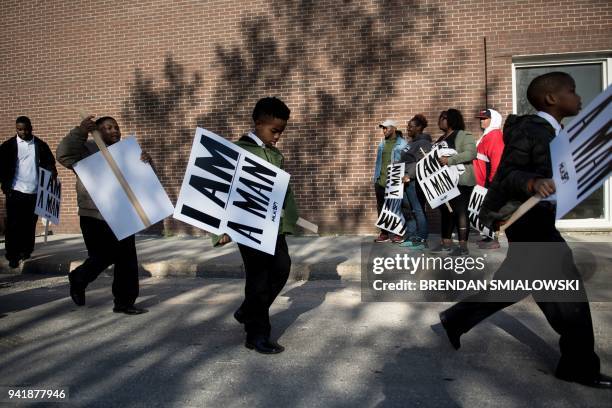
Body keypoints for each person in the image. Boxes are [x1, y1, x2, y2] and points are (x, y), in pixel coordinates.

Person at [439, 72, 611, 389]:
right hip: (529, 223)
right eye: (572, 90)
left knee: (514, 285)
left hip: (536, 221)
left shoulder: (554, 132)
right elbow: (508, 173)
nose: (579, 97)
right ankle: (579, 366)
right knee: (569, 296)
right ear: (552, 99)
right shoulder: (533, 130)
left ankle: (455, 320)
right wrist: (532, 182)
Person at [215, 97, 298, 354]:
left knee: (282, 268)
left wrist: (290, 218)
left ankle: (248, 309)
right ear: (258, 122)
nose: (277, 137)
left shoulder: (276, 154)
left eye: (281, 132)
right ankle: (257, 335)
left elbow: (282, 191)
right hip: (247, 226)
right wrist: (223, 228)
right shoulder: (238, 151)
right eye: (274, 131)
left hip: (274, 225)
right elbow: (224, 190)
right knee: (258, 280)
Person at [56, 116, 151, 315]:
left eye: (116, 127)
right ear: (97, 132)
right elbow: (64, 154)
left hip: (123, 213)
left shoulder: (127, 152)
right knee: (102, 256)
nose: (114, 130)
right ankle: (79, 278)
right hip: (94, 215)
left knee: (127, 260)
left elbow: (144, 182)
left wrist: (147, 164)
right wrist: (81, 131)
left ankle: (124, 303)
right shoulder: (86, 150)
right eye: (108, 128)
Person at [0, 116, 57, 268]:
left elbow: (50, 163)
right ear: (16, 129)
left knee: (29, 224)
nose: (23, 132)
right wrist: (5, 186)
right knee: (13, 224)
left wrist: (51, 178)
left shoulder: (40, 145)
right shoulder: (8, 146)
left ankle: (26, 251)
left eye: (26, 129)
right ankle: (12, 255)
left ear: (31, 127)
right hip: (15, 191)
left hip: (35, 191)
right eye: (19, 129)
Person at [430, 109, 476, 256]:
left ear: (452, 119)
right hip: (444, 183)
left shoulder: (463, 135)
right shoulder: (440, 139)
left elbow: (471, 153)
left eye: (443, 118)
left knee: (461, 212)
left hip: (461, 181)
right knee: (446, 212)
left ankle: (463, 247)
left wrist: (449, 160)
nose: (440, 120)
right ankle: (446, 243)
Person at [398, 114, 432, 250]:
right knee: (407, 209)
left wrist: (409, 175)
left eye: (411, 127)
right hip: (404, 180)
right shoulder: (411, 143)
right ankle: (412, 235)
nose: (408, 129)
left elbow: (422, 162)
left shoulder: (424, 143)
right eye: (407, 127)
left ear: (419, 127)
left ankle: (422, 238)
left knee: (418, 209)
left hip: (414, 181)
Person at [473, 108, 504, 249]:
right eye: (481, 118)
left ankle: (494, 240)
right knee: (483, 211)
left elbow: (496, 162)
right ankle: (487, 238)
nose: (481, 121)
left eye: (485, 118)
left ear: (494, 120)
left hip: (488, 183)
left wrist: (492, 183)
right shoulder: (487, 135)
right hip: (481, 182)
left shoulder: (495, 136)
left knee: (491, 211)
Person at [373, 119, 408, 243]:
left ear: (393, 128)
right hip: (380, 181)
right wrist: (376, 179)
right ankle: (384, 234)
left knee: (395, 208)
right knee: (381, 208)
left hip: (394, 182)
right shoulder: (382, 144)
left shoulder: (403, 144)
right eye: (383, 128)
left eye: (386, 128)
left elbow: (407, 162)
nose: (384, 130)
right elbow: (378, 162)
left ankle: (399, 233)